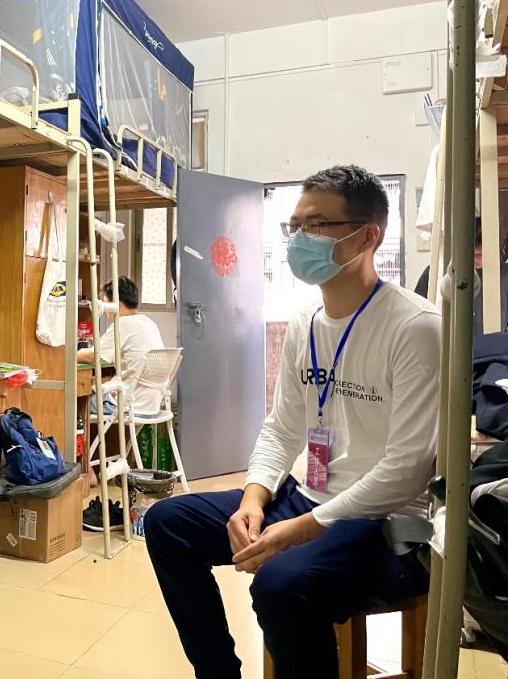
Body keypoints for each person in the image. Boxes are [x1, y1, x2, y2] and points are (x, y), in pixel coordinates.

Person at [144, 165, 439, 679]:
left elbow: (406, 470)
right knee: (169, 524)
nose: (300, 238)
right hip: (311, 498)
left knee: (280, 583)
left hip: (386, 524)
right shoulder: (307, 322)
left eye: (317, 225)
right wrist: (253, 500)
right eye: (294, 225)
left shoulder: (415, 327)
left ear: (367, 237)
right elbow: (282, 428)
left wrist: (299, 531)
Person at [77, 276, 165, 529]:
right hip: (152, 403)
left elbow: (94, 355)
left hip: (130, 405)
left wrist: (70, 351)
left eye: (103, 300)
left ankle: (85, 471)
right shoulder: (147, 322)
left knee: (76, 398)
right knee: (97, 388)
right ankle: (96, 467)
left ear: (113, 303)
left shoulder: (122, 325)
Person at [413, 216, 508, 334]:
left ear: (491, 249)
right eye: (468, 254)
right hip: (448, 340)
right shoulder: (435, 273)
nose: (473, 260)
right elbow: (417, 312)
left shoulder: (504, 275)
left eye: (478, 255)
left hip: (494, 342)